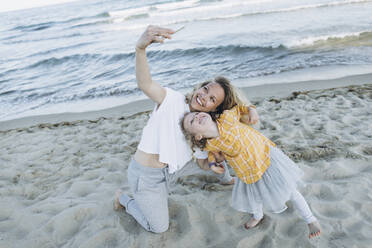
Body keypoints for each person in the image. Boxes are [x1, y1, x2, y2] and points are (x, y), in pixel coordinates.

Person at [113, 25, 259, 233]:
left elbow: (201, 160)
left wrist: (211, 166)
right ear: (200, 86)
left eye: (211, 100)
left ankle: (225, 177)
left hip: (174, 169)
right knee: (159, 228)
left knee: (216, 153)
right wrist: (140, 50)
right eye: (205, 89)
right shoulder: (172, 99)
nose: (203, 97)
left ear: (215, 108)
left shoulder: (203, 124)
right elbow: (145, 84)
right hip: (148, 177)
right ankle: (124, 199)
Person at [181, 105, 321, 238]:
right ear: (198, 136)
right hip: (247, 170)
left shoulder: (226, 117)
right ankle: (257, 216)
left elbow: (241, 108)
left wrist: (252, 110)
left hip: (266, 158)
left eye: (197, 113)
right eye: (192, 120)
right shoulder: (210, 144)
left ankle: (311, 220)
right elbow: (212, 155)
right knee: (254, 196)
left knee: (291, 191)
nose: (198, 116)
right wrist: (212, 165)